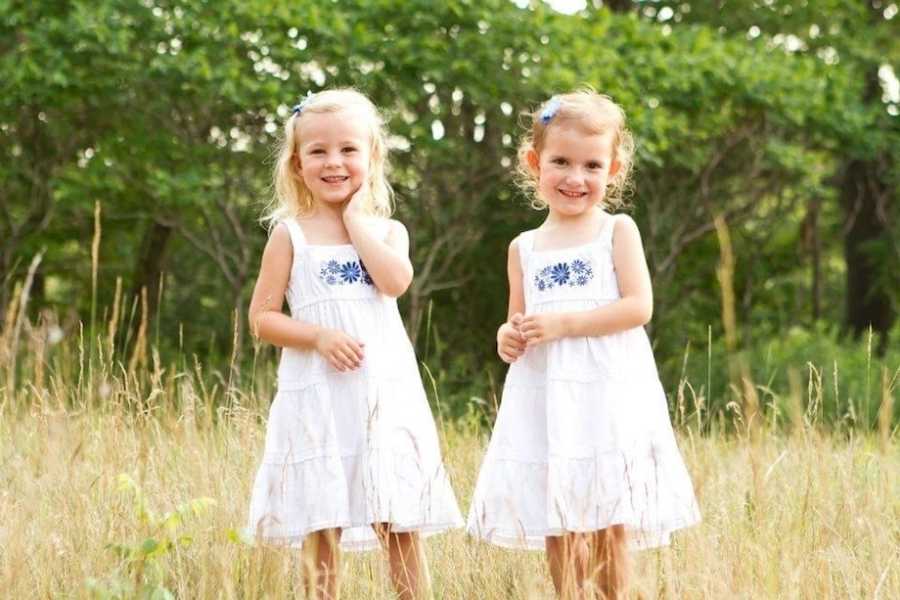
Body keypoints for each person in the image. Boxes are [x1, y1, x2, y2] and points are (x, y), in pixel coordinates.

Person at [467, 90, 701, 599]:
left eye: (592, 165)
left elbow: (638, 307)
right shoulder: (524, 247)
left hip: (608, 389)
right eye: (561, 162)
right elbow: (518, 323)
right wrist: (508, 337)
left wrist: (566, 324)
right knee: (560, 510)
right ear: (535, 163)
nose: (576, 178)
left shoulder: (616, 231)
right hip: (549, 394)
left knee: (608, 508)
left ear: (613, 169)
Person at [246, 88, 463, 600]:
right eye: (318, 152)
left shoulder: (388, 232)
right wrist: (317, 335)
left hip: (382, 398)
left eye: (348, 150)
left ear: (371, 158)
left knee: (398, 519)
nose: (334, 162)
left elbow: (394, 282)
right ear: (298, 165)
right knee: (323, 519)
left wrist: (354, 221)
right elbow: (262, 318)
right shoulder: (289, 235)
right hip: (319, 396)